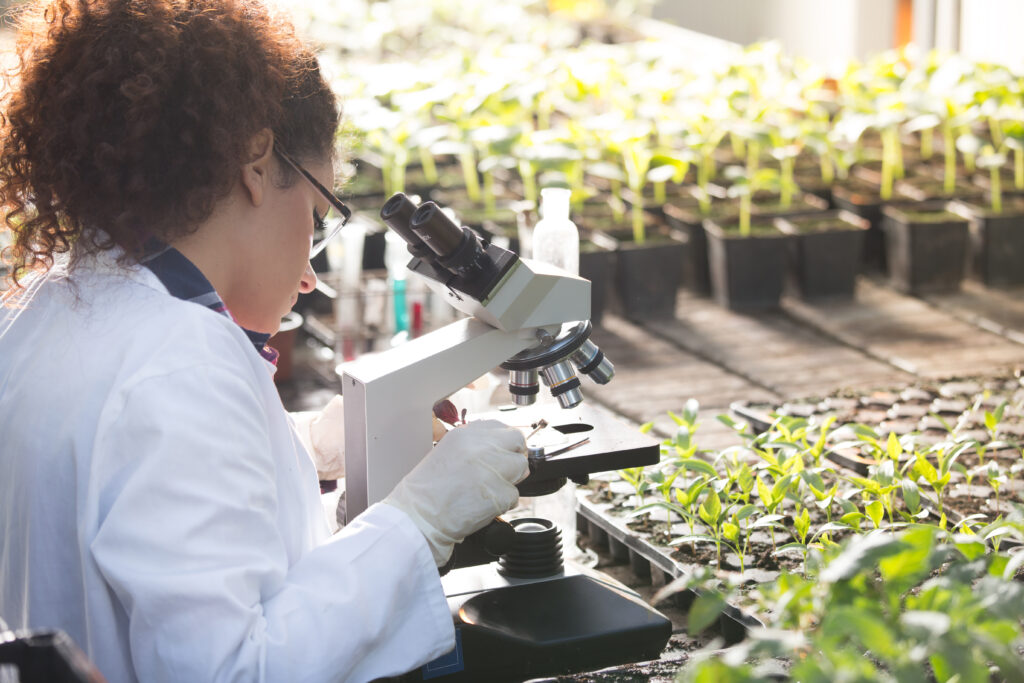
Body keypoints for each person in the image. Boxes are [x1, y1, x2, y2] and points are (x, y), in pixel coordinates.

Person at [0, 2, 529, 682]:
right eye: (316, 215)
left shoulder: (48, 306)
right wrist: (420, 522)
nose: (310, 275)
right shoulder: (179, 367)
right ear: (255, 164)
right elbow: (234, 670)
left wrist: (306, 446)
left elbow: (142, 485)